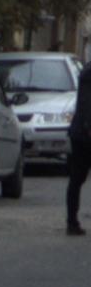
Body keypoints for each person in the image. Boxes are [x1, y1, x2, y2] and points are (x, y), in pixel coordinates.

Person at [66, 58, 91, 234]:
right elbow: (86, 103)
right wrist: (88, 126)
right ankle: (72, 222)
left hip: (81, 132)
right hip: (84, 134)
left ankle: (72, 222)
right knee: (77, 178)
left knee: (77, 178)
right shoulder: (89, 74)